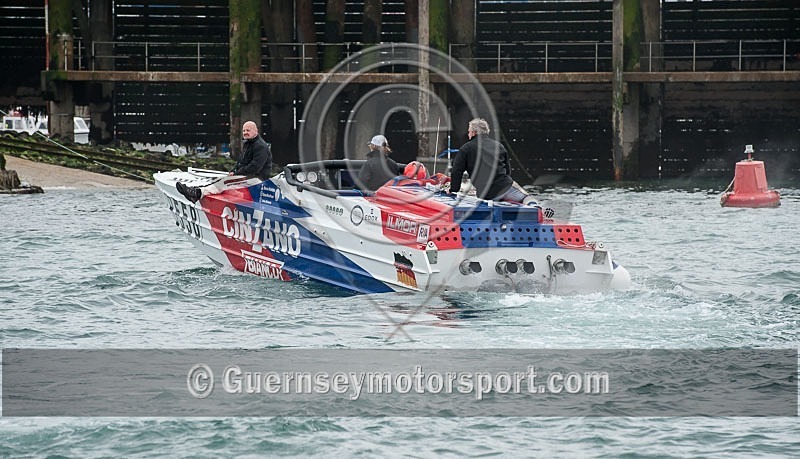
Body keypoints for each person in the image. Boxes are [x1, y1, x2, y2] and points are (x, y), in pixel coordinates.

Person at [176, 120, 272, 203]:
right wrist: (233, 171)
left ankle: (197, 194)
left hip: (258, 180)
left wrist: (236, 174)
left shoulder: (260, 146)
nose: (245, 132)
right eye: (244, 130)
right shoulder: (248, 144)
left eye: (248, 130)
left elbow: (255, 167)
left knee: (226, 182)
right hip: (248, 176)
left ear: (256, 131)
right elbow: (241, 162)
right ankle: (197, 189)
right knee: (221, 179)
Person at [450, 118, 536, 205]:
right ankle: (537, 209)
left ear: (473, 133)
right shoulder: (499, 146)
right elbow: (507, 170)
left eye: (469, 132)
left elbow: (456, 171)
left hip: (486, 194)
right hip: (505, 188)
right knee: (527, 198)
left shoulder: (465, 149)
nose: (468, 134)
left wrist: (453, 191)